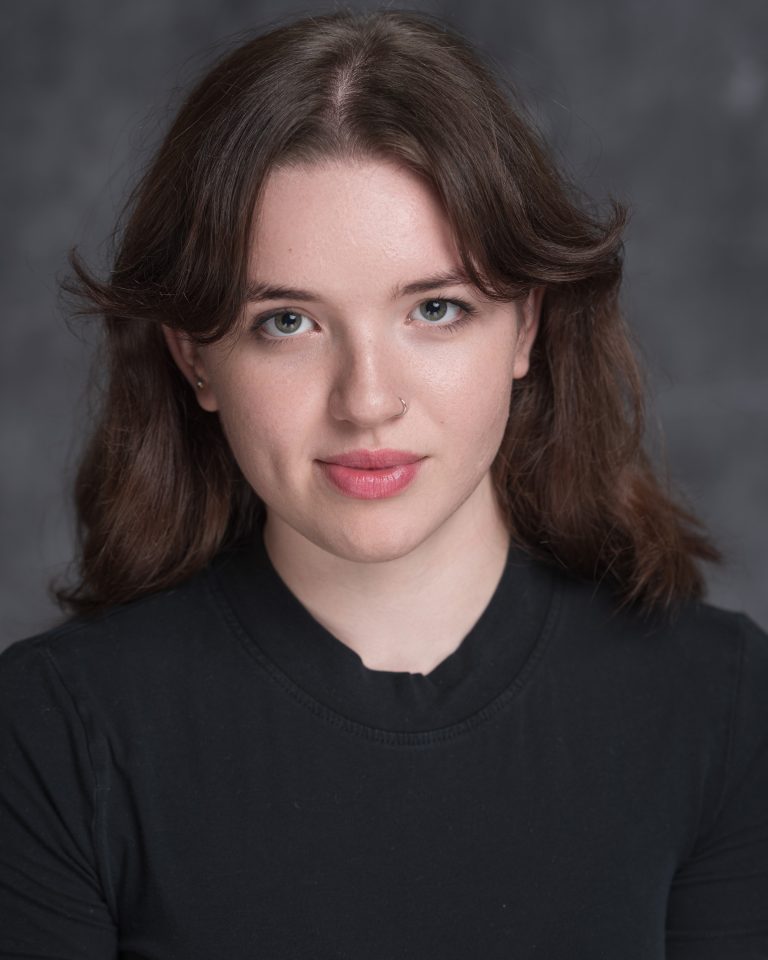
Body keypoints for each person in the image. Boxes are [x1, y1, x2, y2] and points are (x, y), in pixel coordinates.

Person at [1, 9, 766, 959]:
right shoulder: (49, 738)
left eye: (436, 309)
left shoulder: (718, 705)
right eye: (287, 322)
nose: (366, 401)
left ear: (526, 327)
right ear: (195, 360)